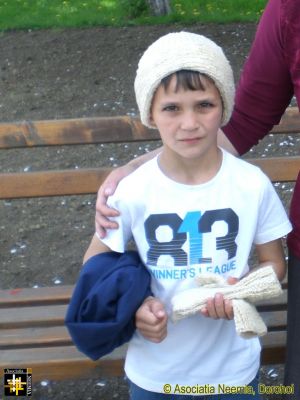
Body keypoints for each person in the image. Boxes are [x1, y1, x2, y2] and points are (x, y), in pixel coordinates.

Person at [95, 0, 300, 394]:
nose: (189, 122)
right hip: (156, 376)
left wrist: (241, 289)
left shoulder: (251, 185)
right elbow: (98, 261)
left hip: (233, 374)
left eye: (204, 105)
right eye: (171, 109)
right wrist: (134, 307)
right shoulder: (134, 190)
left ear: (222, 106)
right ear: (150, 114)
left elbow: (274, 264)